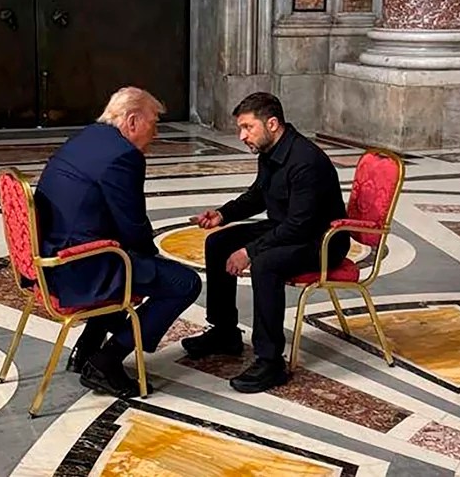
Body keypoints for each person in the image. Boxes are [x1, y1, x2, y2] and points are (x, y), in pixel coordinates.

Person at [34, 87, 202, 397]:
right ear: (133, 120)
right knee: (184, 283)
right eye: (154, 122)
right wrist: (154, 262)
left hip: (51, 259)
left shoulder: (87, 138)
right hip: (80, 268)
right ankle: (106, 359)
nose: (156, 132)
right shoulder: (124, 155)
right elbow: (133, 225)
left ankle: (86, 348)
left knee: (131, 261)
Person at [181, 92, 348, 393]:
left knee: (266, 264)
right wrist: (223, 214)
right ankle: (224, 332)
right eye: (241, 128)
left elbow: (300, 226)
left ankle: (271, 361)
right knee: (218, 243)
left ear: (272, 123)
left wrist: (249, 251)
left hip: (320, 241)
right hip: (288, 228)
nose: (242, 135)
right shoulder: (271, 151)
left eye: (248, 127)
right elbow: (259, 194)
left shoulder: (305, 161)